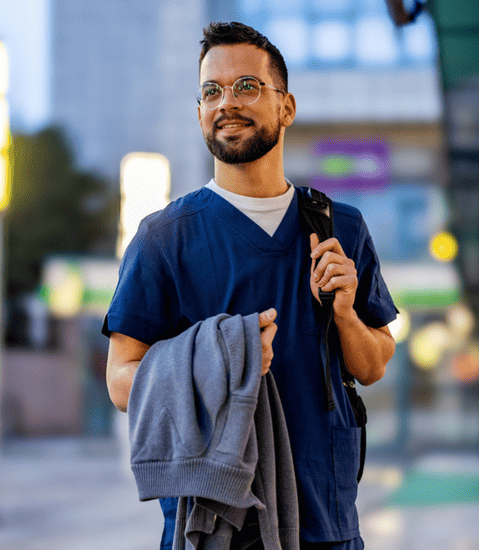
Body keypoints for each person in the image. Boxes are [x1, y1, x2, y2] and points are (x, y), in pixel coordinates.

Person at [102, 22, 398, 550]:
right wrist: (216, 360)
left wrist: (348, 314)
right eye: (211, 91)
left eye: (246, 86)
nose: (226, 102)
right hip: (215, 527)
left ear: (285, 107)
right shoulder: (164, 239)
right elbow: (121, 382)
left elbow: (373, 365)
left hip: (326, 522)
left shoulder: (339, 228)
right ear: (198, 113)